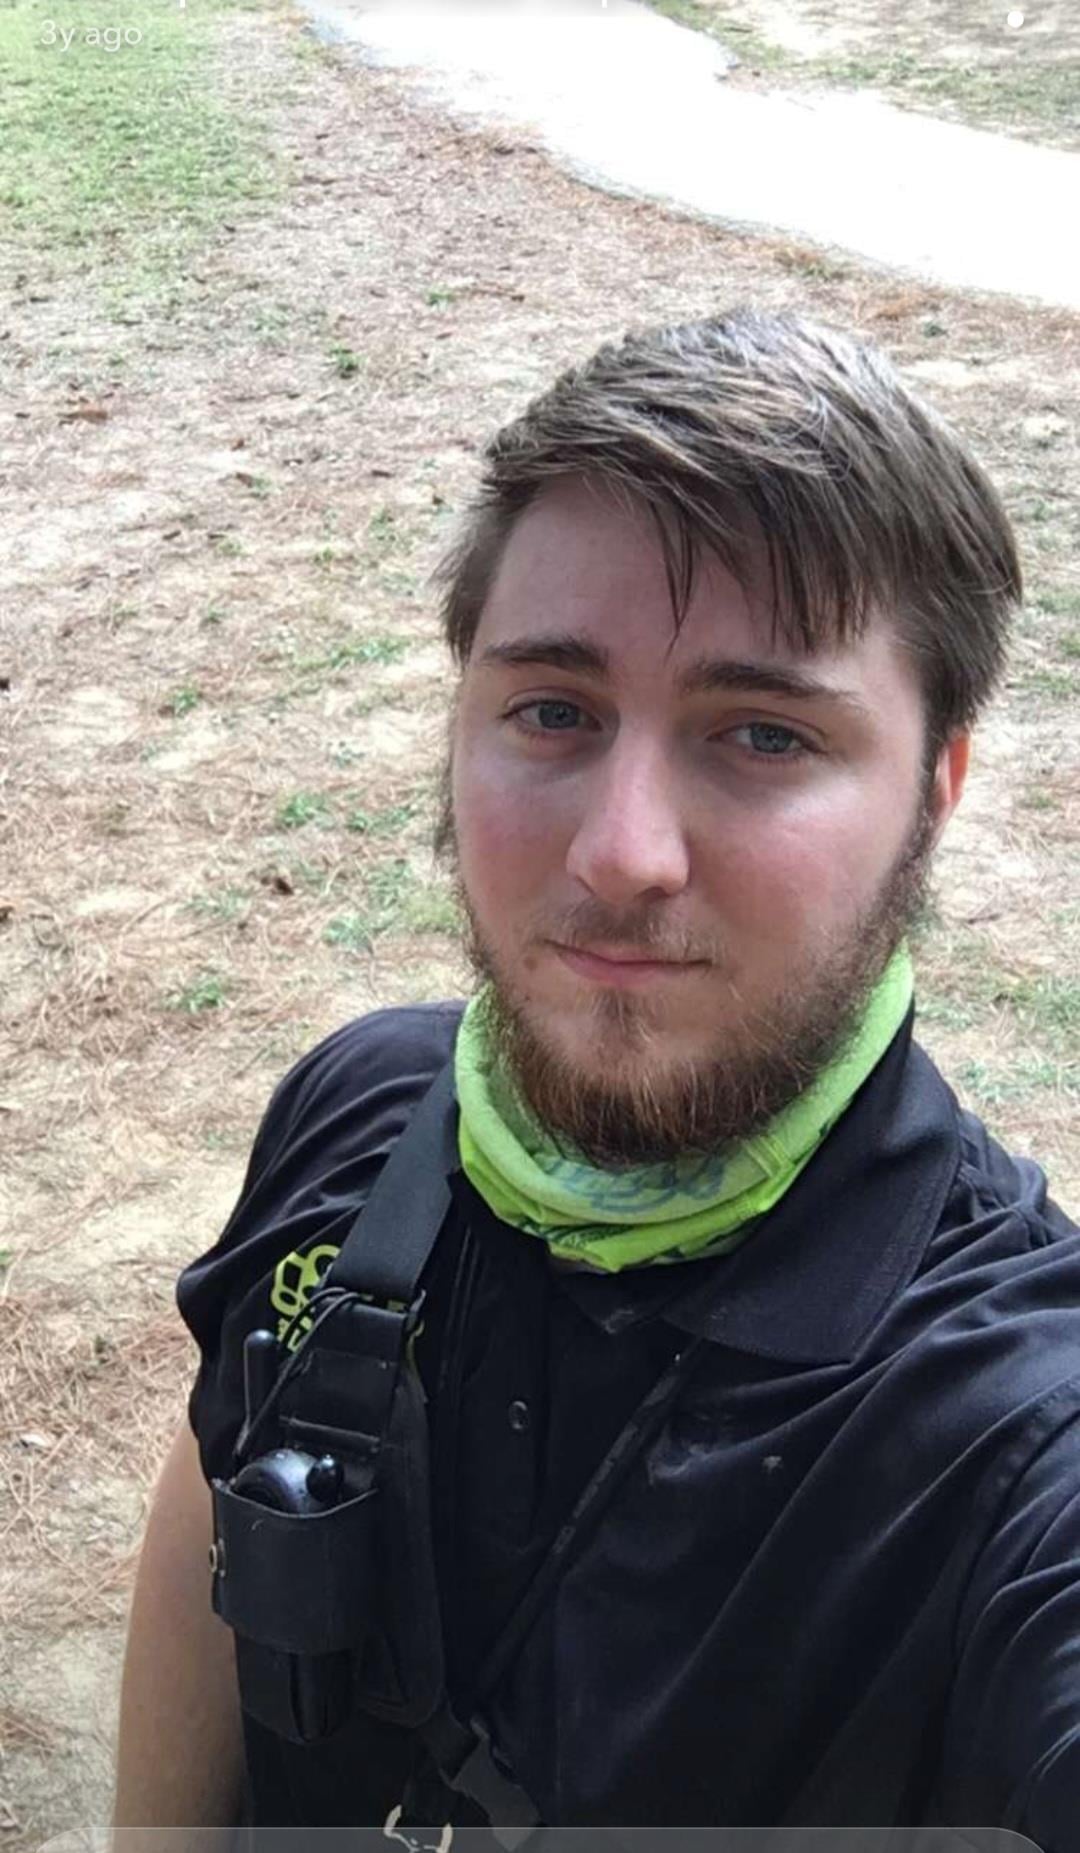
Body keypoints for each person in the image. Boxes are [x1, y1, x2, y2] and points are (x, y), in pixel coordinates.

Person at [112, 310, 1080, 1848]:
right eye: (554, 710)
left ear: (935, 791)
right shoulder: (368, 1112)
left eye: (763, 733)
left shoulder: (1011, 1425)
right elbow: (224, 1463)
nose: (621, 852)